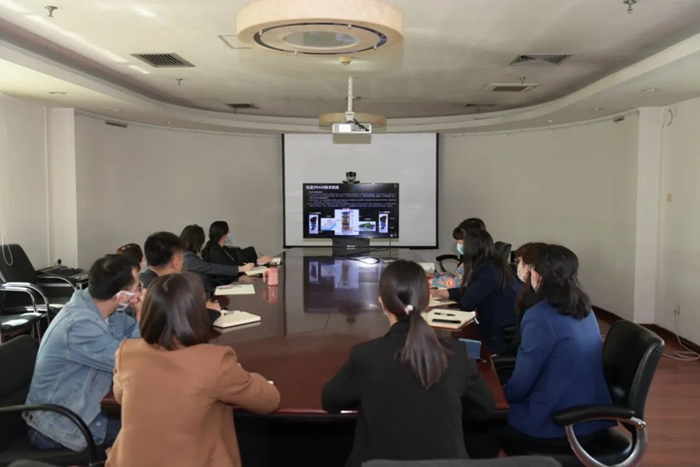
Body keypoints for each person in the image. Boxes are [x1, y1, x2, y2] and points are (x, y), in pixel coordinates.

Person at [322, 260, 496, 467]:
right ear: (427, 300)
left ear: (381, 302)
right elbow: (485, 407)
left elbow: (330, 401)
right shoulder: (457, 353)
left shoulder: (365, 355)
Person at [105, 272, 280, 467]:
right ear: (196, 313)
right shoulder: (214, 362)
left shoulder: (127, 352)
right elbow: (269, 400)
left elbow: (121, 396)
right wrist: (238, 372)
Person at [24, 255, 144, 451]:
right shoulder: (79, 325)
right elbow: (131, 362)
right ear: (122, 296)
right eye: (138, 286)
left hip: (86, 407)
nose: (141, 291)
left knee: (149, 419)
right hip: (59, 426)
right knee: (149, 431)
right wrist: (141, 315)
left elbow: (134, 340)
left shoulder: (106, 312)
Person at [501, 245, 614, 453]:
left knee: (482, 423)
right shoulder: (584, 308)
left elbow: (523, 381)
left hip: (557, 423)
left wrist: (497, 397)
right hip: (592, 417)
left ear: (537, 274)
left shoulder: (539, 316)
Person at [431, 228, 519, 354]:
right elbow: (473, 290)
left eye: (463, 244)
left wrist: (450, 293)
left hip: (498, 335)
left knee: (451, 347)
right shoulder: (493, 264)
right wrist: (442, 293)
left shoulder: (488, 271)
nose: (461, 247)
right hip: (499, 326)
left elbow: (467, 302)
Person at [142, 231, 222, 325]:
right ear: (175, 262)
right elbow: (180, 326)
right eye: (182, 257)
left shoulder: (146, 280)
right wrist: (210, 312)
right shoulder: (159, 289)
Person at [502, 242, 548, 356]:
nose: (518, 267)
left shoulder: (535, 302)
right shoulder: (528, 291)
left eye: (521, 263)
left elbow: (521, 344)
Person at [180, 225, 254, 294]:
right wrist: (241, 269)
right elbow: (212, 268)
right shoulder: (188, 258)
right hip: (207, 294)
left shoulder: (188, 256)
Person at [431, 218, 485, 289]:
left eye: (460, 242)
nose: (458, 244)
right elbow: (457, 276)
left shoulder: (476, 263)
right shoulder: (469, 260)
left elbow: (457, 283)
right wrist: (437, 275)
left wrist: (432, 281)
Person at [201, 220, 272, 266]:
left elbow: (237, 255)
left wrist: (257, 261)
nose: (230, 234)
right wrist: (256, 262)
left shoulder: (222, 248)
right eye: (228, 232)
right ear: (223, 236)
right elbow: (229, 268)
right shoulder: (215, 251)